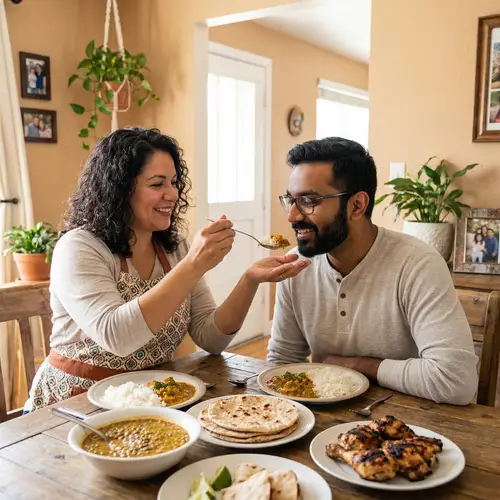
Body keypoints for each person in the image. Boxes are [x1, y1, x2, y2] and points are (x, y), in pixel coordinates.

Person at [25, 127, 309, 412]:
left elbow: (210, 338)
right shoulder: (80, 247)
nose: (172, 194)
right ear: (120, 188)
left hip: (152, 402)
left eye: (174, 182)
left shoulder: (174, 249)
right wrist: (193, 265)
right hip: (73, 406)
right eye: (157, 184)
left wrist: (249, 280)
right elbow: (117, 336)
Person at [268, 137, 478, 406]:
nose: (292, 216)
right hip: (316, 422)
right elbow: (282, 361)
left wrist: (357, 364)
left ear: (357, 205)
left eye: (309, 201)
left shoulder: (418, 264)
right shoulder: (295, 265)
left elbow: (456, 381)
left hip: (408, 425)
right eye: (291, 200)